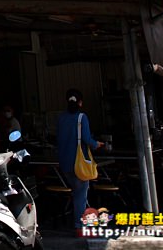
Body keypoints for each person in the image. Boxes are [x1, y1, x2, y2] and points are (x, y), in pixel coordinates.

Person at [56, 88, 101, 232]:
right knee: (80, 195)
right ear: (80, 102)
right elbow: (87, 139)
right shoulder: (82, 117)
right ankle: (79, 226)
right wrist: (97, 144)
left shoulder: (61, 118)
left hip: (64, 163)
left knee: (76, 192)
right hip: (78, 163)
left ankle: (78, 221)